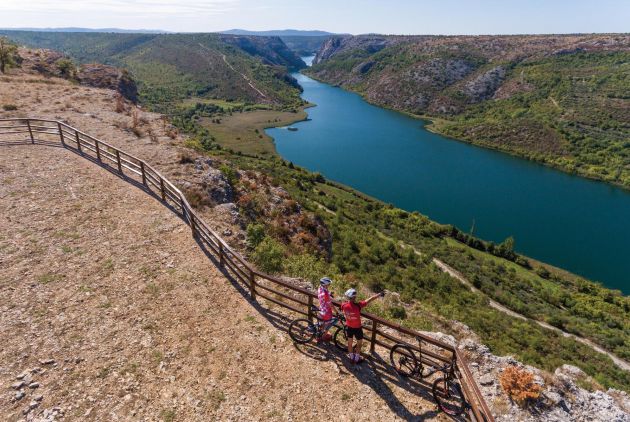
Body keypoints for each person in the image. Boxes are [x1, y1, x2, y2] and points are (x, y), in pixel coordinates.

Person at [341, 288, 384, 363]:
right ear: (354, 297)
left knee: (350, 343)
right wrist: (379, 294)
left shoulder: (343, 305)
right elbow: (370, 299)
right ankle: (357, 359)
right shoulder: (358, 306)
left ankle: (351, 357)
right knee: (359, 343)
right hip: (357, 328)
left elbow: (343, 312)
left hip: (349, 327)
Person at [317, 277, 334, 342]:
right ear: (325, 284)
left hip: (321, 308)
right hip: (326, 311)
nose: (329, 285)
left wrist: (329, 294)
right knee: (327, 325)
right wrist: (337, 312)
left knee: (321, 324)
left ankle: (319, 335)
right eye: (328, 284)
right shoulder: (325, 294)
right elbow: (330, 304)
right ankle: (323, 337)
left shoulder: (320, 287)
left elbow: (324, 294)